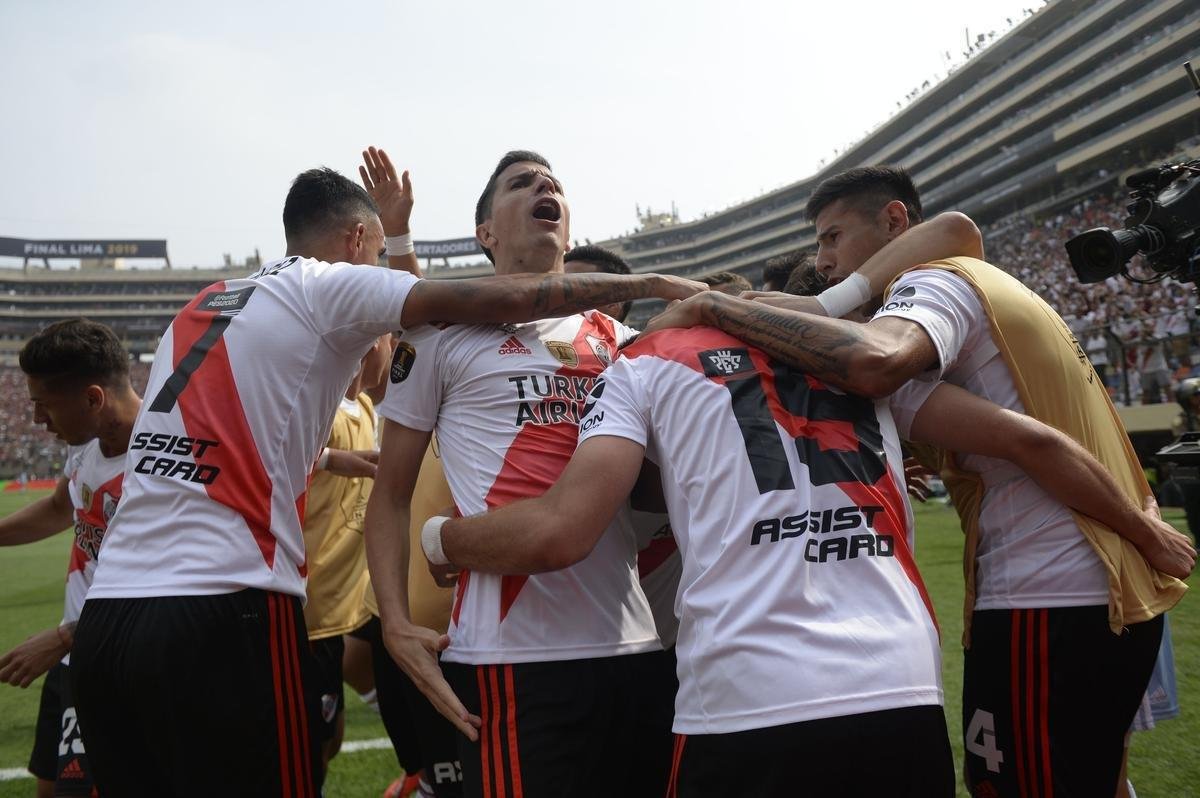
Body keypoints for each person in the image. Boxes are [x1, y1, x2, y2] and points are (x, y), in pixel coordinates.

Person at [69, 149, 705, 798]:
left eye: (555, 185)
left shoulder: (202, 307)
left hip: (111, 613)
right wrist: (650, 285)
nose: (545, 186)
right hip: (232, 597)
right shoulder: (331, 288)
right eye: (376, 254)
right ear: (357, 240)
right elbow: (466, 304)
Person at [422, 317, 1190, 796]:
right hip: (900, 687)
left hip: (747, 700)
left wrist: (442, 540)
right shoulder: (864, 363)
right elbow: (1029, 439)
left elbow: (564, 531)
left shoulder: (648, 359)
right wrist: (1143, 523)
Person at [644, 165, 1194, 797]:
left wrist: (729, 308)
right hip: (1102, 579)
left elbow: (895, 364)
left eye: (833, 237)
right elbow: (958, 231)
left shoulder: (924, 294)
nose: (824, 261)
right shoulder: (969, 280)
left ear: (895, 223)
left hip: (1050, 588)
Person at [365, 151, 672, 798]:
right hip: (512, 659)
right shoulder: (440, 338)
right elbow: (389, 493)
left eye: (553, 181)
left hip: (637, 651)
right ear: (487, 235)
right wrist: (393, 621)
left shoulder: (624, 341)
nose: (545, 185)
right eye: (520, 182)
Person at [0, 318, 141, 798]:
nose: (38, 421)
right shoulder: (84, 446)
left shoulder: (161, 465)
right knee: (50, 788)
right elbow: (63, 508)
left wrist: (64, 637)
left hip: (121, 662)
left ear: (93, 398)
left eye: (44, 406)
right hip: (72, 657)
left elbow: (165, 594)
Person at [301, 332, 390, 786]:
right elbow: (288, 451)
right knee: (311, 746)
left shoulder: (368, 408)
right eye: (391, 339)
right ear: (373, 345)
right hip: (312, 607)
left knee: (329, 737)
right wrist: (337, 458)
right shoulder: (322, 404)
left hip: (351, 599)